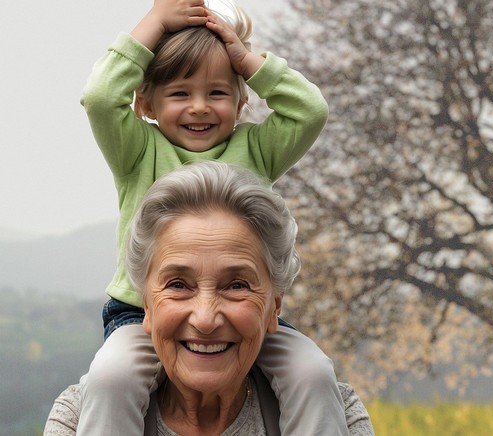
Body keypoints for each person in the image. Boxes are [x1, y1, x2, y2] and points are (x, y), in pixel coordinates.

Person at [78, 0, 346, 433]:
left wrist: (250, 63)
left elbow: (310, 111)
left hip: (245, 315)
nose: (200, 107)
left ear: (242, 103)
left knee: (312, 373)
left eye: (217, 93)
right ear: (145, 102)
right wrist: (155, 21)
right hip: (141, 314)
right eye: (180, 93)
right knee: (113, 379)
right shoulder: (137, 152)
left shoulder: (258, 150)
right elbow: (100, 97)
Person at [45, 162, 373, 435]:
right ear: (146, 305)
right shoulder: (78, 420)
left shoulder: (338, 416)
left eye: (236, 286)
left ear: (275, 306)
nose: (204, 319)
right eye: (177, 284)